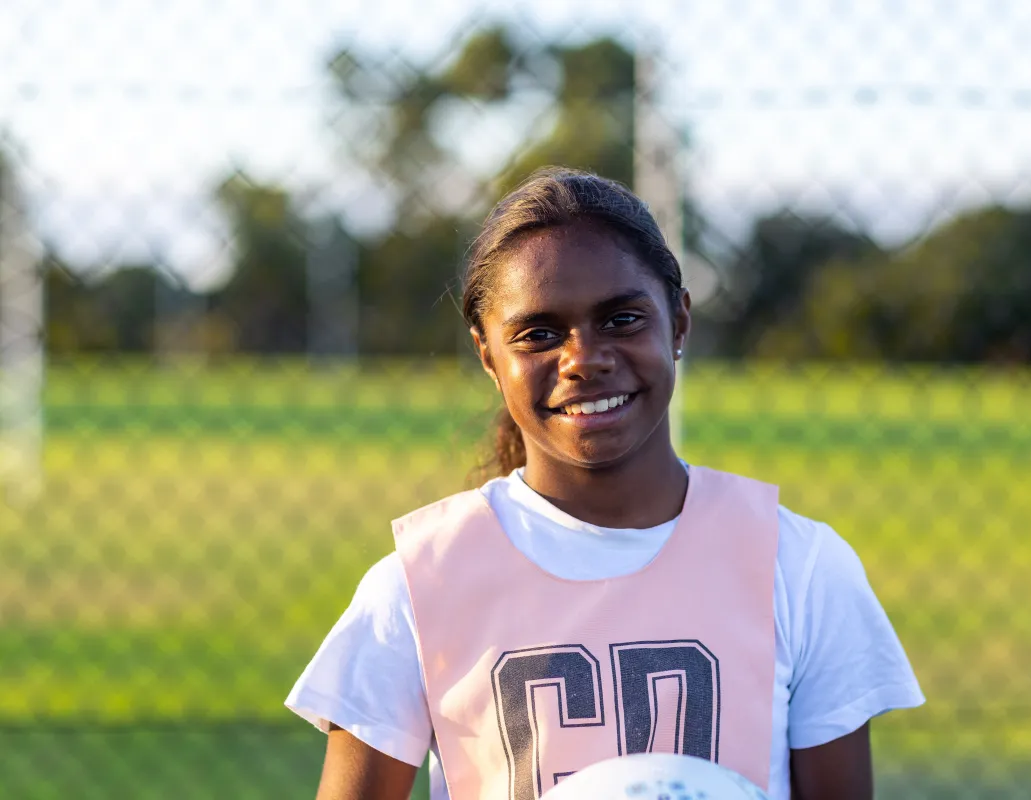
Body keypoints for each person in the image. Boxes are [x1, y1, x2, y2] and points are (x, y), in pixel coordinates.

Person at [286, 167, 924, 800]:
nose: (584, 358)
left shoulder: (799, 567)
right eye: (538, 334)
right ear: (487, 355)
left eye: (621, 319)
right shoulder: (419, 582)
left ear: (678, 324)